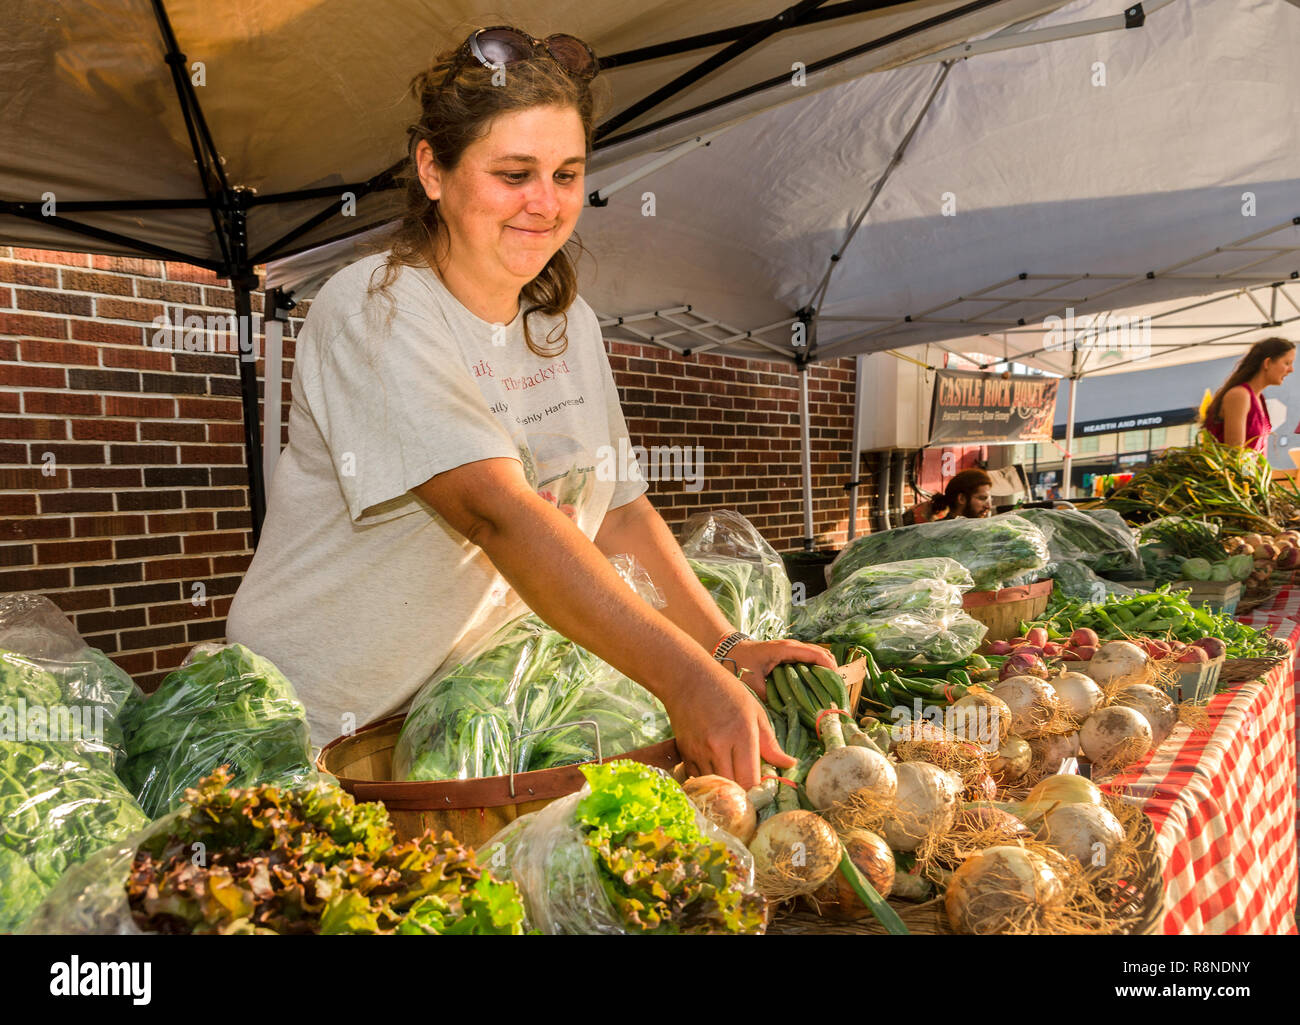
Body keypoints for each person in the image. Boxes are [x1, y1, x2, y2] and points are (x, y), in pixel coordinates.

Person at [225, 27, 833, 789]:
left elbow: (617, 513)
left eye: (567, 173)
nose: (545, 204)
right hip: (319, 735)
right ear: (433, 170)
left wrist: (724, 648)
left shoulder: (562, 323)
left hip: (457, 727)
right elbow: (498, 513)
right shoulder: (373, 309)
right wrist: (683, 682)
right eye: (514, 173)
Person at [1202, 337, 1295, 452]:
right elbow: (1235, 455)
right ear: (1267, 363)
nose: (1291, 370)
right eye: (1287, 363)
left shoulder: (1259, 399)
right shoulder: (1239, 395)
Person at [904, 467, 992, 523]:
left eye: (990, 499)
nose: (988, 506)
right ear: (962, 499)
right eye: (982, 498)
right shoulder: (939, 532)